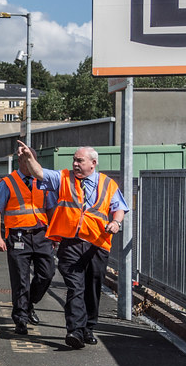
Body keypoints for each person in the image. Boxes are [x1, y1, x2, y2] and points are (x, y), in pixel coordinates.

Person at [16, 142, 129, 349]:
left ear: (93, 163)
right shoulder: (63, 178)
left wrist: (116, 222)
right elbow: (40, 173)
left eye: (80, 160)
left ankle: (88, 328)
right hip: (71, 244)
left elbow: (119, 207)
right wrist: (29, 158)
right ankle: (75, 331)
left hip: (97, 244)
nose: (75, 164)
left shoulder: (108, 184)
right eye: (74, 160)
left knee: (93, 288)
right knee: (75, 287)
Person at [0, 154, 55, 335]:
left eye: (33, 161)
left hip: (42, 235)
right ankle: (20, 319)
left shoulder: (42, 182)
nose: (31, 165)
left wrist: (54, 234)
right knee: (20, 279)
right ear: (20, 162)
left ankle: (28, 304)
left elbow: (49, 208)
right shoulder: (8, 183)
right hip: (18, 237)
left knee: (47, 274)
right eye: (27, 161)